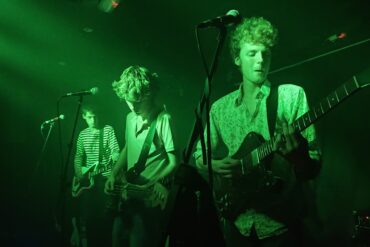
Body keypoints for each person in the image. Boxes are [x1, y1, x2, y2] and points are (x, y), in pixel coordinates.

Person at [194, 16, 322, 247]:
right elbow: (198, 155)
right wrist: (211, 164)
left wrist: (298, 157)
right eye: (252, 53)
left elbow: (312, 166)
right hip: (237, 223)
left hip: (280, 225)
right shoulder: (219, 108)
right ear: (237, 58)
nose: (260, 60)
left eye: (266, 53)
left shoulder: (291, 96)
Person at [105, 65, 178, 247]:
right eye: (128, 101)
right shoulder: (130, 118)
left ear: (148, 93)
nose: (132, 106)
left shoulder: (164, 119)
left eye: (137, 101)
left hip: (149, 201)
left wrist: (153, 183)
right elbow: (128, 148)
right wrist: (114, 173)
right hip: (127, 199)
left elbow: (175, 163)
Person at [72, 105, 120, 247]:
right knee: (90, 220)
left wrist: (115, 157)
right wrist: (79, 174)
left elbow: (116, 151)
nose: (93, 120)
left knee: (106, 219)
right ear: (84, 117)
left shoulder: (108, 130)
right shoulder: (82, 134)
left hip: (105, 179)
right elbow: (78, 157)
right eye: (89, 117)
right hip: (88, 182)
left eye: (95, 116)